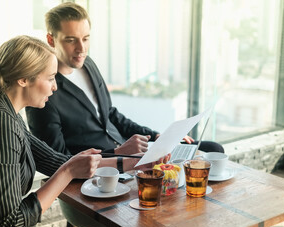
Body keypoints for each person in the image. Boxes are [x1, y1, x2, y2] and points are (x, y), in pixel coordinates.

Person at [0, 35, 156, 227]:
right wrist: (68, 172)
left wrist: (133, 162)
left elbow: (54, 161)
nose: (55, 87)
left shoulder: (6, 111)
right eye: (50, 78)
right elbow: (13, 222)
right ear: (23, 80)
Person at [25, 2, 224, 156]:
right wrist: (118, 154)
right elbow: (58, 159)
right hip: (103, 172)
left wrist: (156, 136)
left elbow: (110, 115)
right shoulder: (43, 93)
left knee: (212, 148)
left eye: (85, 39)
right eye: (71, 40)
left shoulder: (87, 64)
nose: (81, 48)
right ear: (51, 40)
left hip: (130, 155)